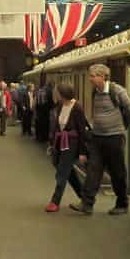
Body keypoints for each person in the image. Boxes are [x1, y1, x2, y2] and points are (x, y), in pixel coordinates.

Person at [75, 64, 130, 215]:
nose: (90, 79)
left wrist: (121, 128)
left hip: (114, 138)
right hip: (97, 138)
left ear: (102, 77)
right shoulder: (95, 91)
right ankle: (87, 203)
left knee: (117, 172)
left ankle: (122, 204)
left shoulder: (117, 91)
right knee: (93, 170)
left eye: (93, 76)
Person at [45, 83, 90, 212]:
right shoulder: (60, 105)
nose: (54, 94)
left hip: (72, 143)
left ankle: (55, 201)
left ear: (62, 94)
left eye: (56, 92)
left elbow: (81, 131)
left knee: (62, 172)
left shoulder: (77, 108)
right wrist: (52, 142)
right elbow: (57, 126)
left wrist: (82, 152)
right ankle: (84, 197)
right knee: (64, 169)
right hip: (60, 141)